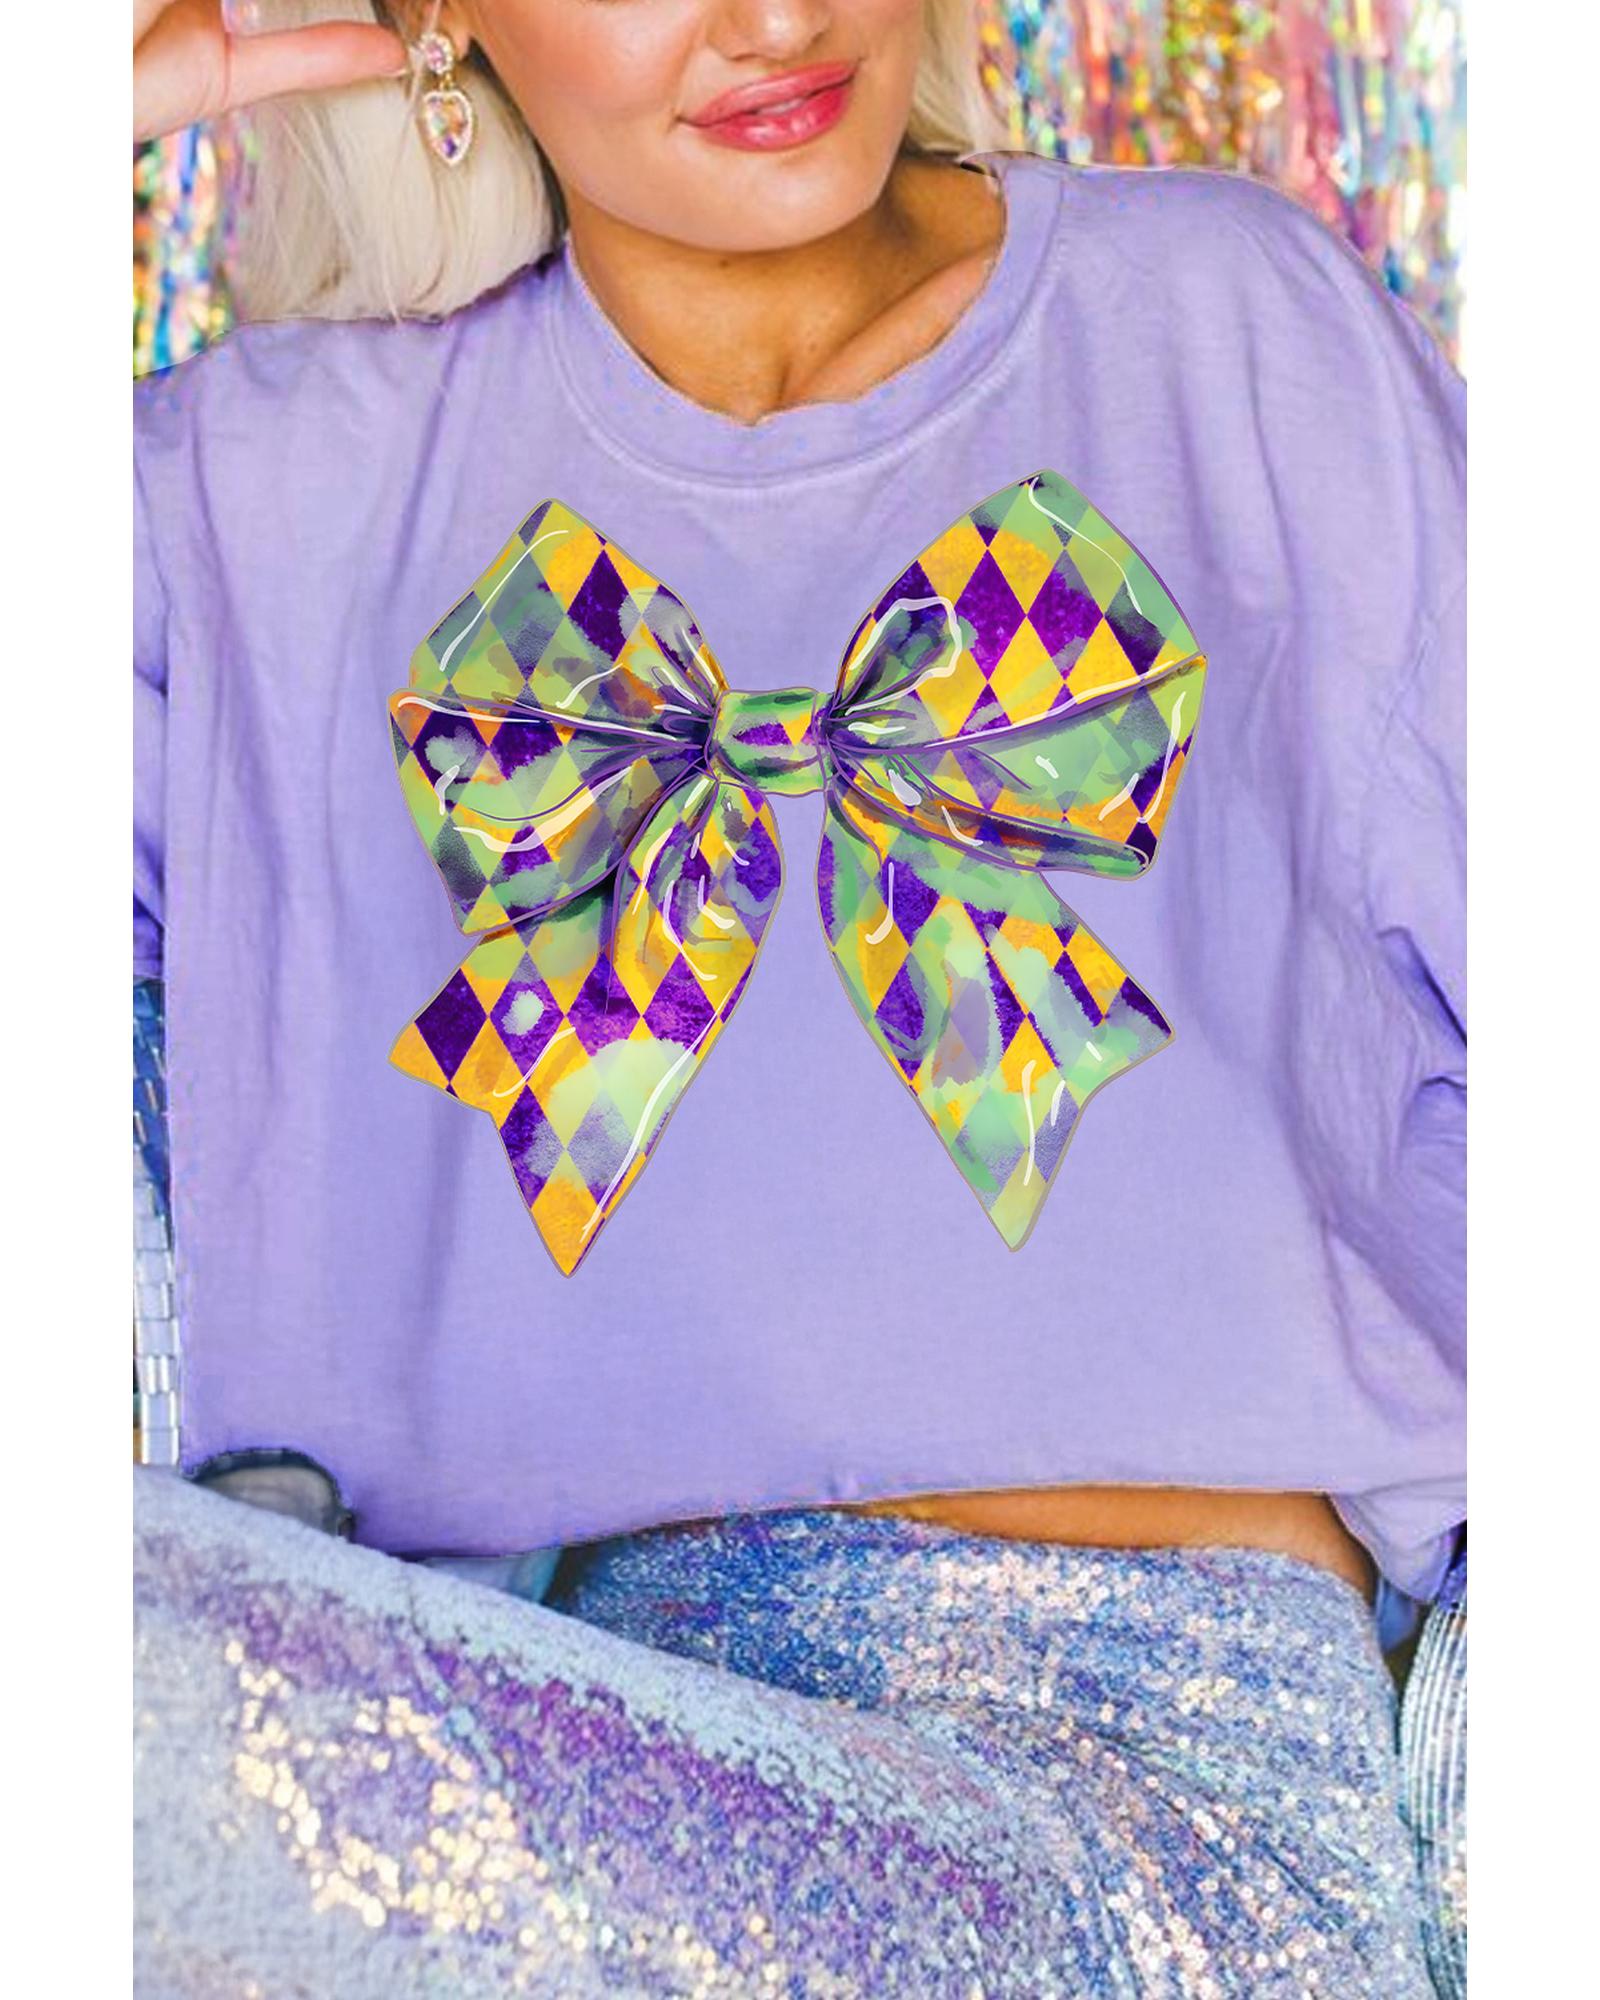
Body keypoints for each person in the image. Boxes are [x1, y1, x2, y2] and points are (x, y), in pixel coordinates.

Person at [132, 2, 1464, 1992]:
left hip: (1145, 1823)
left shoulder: (1226, 329)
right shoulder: (261, 492)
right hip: (490, 1749)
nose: (773, 17)